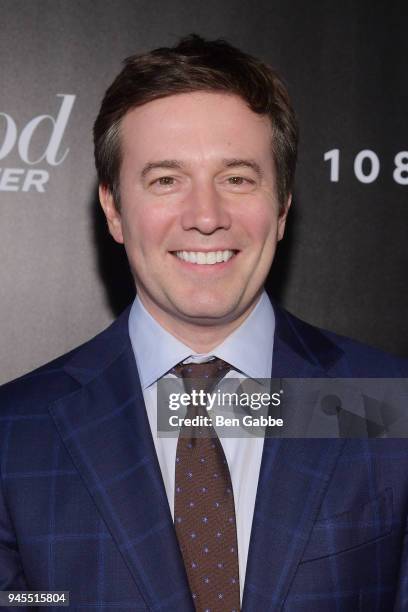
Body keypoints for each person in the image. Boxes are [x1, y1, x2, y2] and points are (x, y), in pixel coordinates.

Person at [1, 34, 407, 612]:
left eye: (237, 178)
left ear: (284, 204)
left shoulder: (389, 406)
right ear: (114, 209)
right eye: (166, 179)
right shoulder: (14, 434)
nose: (206, 217)